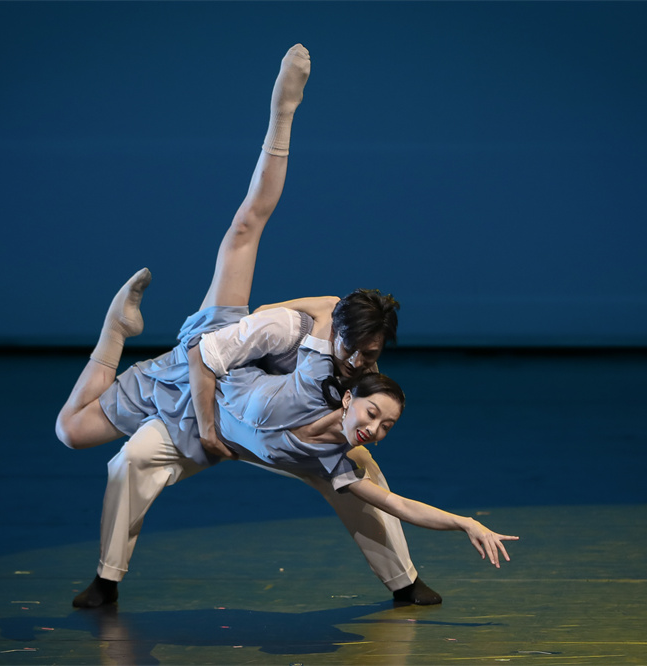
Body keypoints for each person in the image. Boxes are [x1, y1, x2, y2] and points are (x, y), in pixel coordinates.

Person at [56, 44, 518, 609]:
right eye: (353, 347)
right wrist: (209, 430)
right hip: (208, 402)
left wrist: (464, 520)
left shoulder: (351, 403)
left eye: (371, 355)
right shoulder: (293, 328)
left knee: (363, 478)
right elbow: (210, 351)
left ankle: (405, 581)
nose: (360, 362)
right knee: (120, 454)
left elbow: (392, 488)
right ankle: (107, 579)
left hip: (278, 433)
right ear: (332, 330)